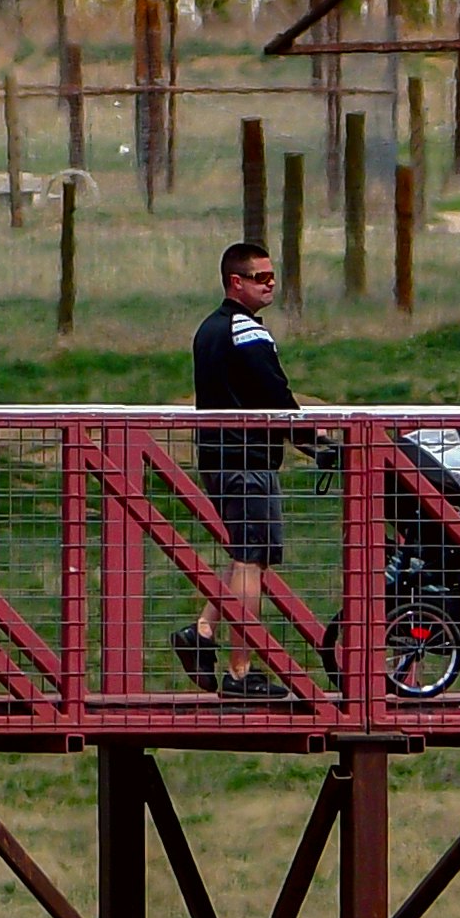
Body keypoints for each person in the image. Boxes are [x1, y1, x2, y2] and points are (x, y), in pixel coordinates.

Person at [183, 240, 314, 700]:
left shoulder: (208, 329)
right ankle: (240, 672)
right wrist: (314, 443)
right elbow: (274, 393)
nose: (270, 284)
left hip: (218, 457)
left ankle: (201, 631)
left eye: (272, 276)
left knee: (247, 555)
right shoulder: (247, 332)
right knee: (249, 559)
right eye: (261, 277)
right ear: (235, 282)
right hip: (247, 461)